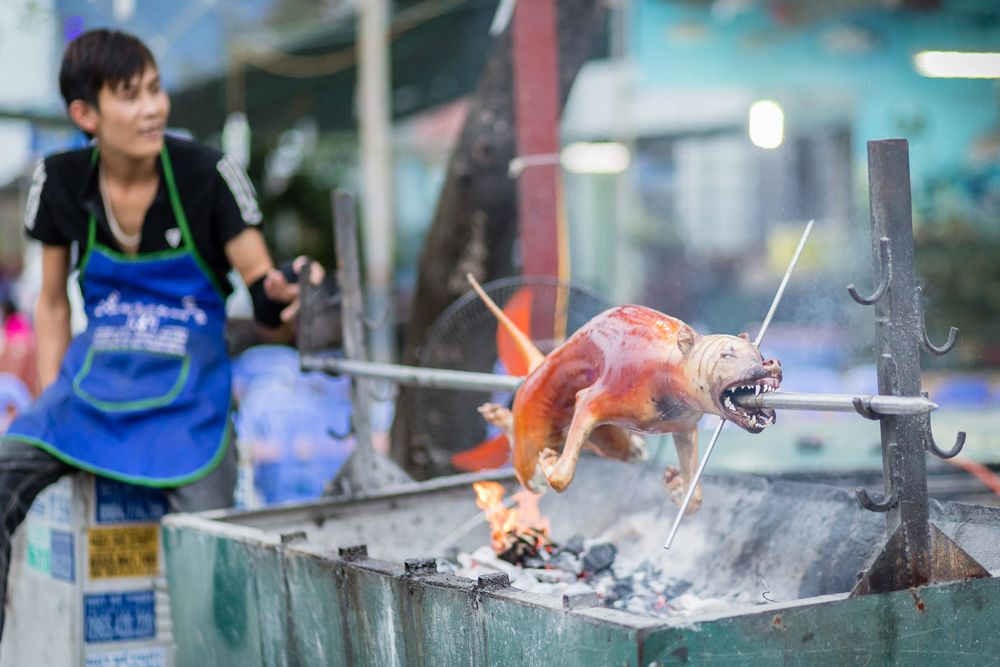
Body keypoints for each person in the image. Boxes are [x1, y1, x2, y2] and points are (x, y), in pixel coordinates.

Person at [0, 28, 321, 636]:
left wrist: (279, 293)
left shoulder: (208, 173)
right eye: (129, 95)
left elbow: (260, 279)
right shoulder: (60, 179)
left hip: (189, 395)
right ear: (85, 114)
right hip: (95, 382)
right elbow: (50, 304)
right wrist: (53, 404)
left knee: (214, 553)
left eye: (155, 90)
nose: (152, 108)